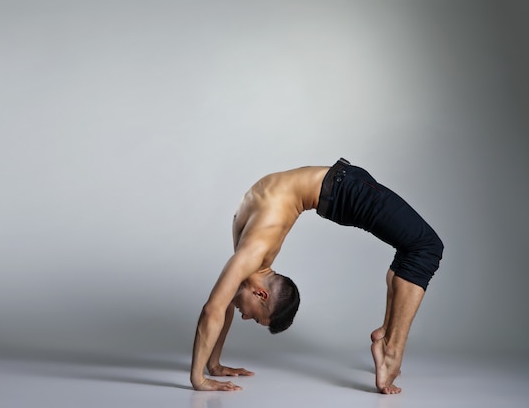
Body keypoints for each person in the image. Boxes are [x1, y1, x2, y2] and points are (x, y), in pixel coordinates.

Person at [190, 158, 444, 394]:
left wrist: (198, 380)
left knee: (425, 248)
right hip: (340, 186)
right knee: (415, 248)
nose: (245, 316)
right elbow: (223, 306)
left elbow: (213, 310)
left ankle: (390, 350)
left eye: (254, 317)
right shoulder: (251, 258)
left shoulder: (253, 252)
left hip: (344, 188)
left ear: (261, 293)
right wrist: (214, 365)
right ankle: (386, 336)